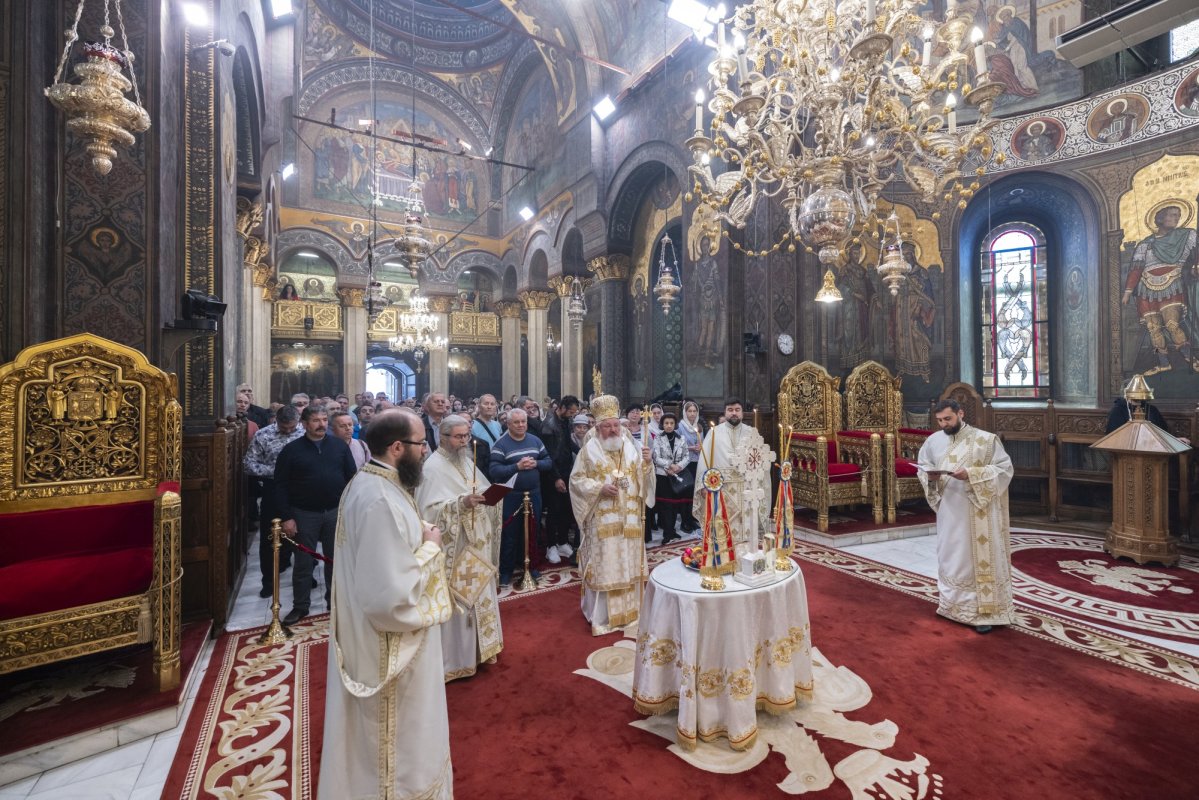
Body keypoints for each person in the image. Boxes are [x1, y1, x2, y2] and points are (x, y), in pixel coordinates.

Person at [318, 410, 453, 800]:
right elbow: (390, 596)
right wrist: (431, 547)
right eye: (420, 444)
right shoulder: (379, 498)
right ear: (397, 448)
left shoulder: (378, 483)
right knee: (397, 738)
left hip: (371, 634)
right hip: (390, 647)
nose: (424, 452)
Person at [415, 415, 503, 681]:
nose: (464, 441)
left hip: (476, 542)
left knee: (480, 594)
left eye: (467, 436)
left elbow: (482, 488)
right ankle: (458, 658)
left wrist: (494, 495)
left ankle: (481, 648)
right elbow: (426, 512)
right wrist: (461, 504)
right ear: (442, 437)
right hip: (456, 549)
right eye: (458, 436)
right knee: (461, 599)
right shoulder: (432, 468)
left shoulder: (465, 460)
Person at [917, 399, 1016, 634]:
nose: (944, 424)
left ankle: (984, 613)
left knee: (974, 560)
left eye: (948, 419)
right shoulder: (933, 441)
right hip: (949, 511)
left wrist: (971, 474)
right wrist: (928, 477)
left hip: (978, 511)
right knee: (951, 557)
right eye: (940, 420)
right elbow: (923, 465)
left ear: (960, 413)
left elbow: (1004, 469)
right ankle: (951, 606)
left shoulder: (986, 440)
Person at [569, 394, 653, 635]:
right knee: (607, 565)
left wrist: (647, 465)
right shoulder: (588, 451)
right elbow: (576, 481)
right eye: (607, 426)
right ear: (598, 427)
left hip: (630, 520)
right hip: (604, 521)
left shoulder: (630, 447)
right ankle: (603, 616)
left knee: (630, 563)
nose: (613, 430)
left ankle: (634, 611)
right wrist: (599, 488)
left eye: (616, 424)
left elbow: (641, 477)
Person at [275, 406, 358, 626]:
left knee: (335, 560)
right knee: (303, 563)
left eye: (323, 420)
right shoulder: (291, 450)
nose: (321, 424)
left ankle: (335, 602)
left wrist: (351, 508)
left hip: (335, 511)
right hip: (304, 514)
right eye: (315, 420)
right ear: (304, 423)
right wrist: (286, 517)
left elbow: (352, 478)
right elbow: (280, 486)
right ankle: (300, 606)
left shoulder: (339, 446)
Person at [1123, 204, 1199, 375]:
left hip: (1172, 284)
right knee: (1153, 329)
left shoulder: (1187, 236)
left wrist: (1195, 266)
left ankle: (1192, 360)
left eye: (1178, 215)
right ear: (1160, 218)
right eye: (1172, 215)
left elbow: (1197, 253)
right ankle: (1164, 363)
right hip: (1146, 289)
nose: (1176, 218)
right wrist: (1127, 292)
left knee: (1172, 324)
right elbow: (1136, 269)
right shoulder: (1145, 245)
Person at [690, 398, 771, 551]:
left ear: (742, 413)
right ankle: (723, 556)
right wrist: (703, 485)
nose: (734, 413)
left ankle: (746, 555)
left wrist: (762, 484)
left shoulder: (751, 432)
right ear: (725, 412)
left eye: (737, 410)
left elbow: (761, 461)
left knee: (746, 525)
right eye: (730, 410)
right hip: (722, 490)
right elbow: (704, 461)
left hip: (746, 489)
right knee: (723, 525)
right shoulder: (714, 433)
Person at [243, 405, 303, 597]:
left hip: (300, 491)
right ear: (276, 420)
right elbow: (248, 464)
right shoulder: (264, 435)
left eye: (290, 428)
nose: (287, 431)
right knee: (270, 537)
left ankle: (304, 577)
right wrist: (276, 472)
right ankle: (268, 581)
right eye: (283, 427)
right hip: (273, 490)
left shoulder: (304, 434)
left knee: (302, 535)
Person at [488, 408, 552, 586]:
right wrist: (517, 467)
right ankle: (506, 570)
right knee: (510, 534)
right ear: (508, 424)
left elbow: (548, 462)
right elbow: (494, 471)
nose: (521, 425)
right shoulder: (501, 444)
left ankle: (531, 567)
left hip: (534, 494)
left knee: (533, 531)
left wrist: (536, 463)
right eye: (516, 422)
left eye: (523, 421)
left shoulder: (535, 440)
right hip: (511, 496)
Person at [539, 394, 580, 564]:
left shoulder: (566, 421)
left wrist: (584, 453)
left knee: (566, 509)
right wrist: (556, 478)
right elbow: (549, 455)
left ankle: (563, 542)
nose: (572, 415)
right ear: (561, 408)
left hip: (567, 471)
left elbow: (568, 444)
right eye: (570, 411)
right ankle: (551, 546)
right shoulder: (548, 426)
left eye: (574, 412)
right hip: (552, 474)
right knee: (554, 511)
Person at [652, 412, 690, 544]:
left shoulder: (681, 438)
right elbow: (656, 457)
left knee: (675, 506)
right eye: (666, 423)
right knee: (666, 506)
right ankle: (667, 533)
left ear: (675, 424)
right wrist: (669, 466)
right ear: (662, 424)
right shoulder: (658, 438)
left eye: (671, 423)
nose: (669, 426)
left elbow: (687, 456)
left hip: (677, 476)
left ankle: (672, 531)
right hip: (663, 475)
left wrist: (678, 466)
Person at [677, 401, 704, 534]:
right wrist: (690, 448)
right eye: (690, 411)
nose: (692, 414)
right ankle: (684, 521)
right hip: (685, 463)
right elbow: (677, 445)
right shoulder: (680, 426)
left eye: (694, 411)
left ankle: (692, 518)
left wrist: (700, 447)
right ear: (685, 412)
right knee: (686, 492)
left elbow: (702, 442)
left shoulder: (699, 426)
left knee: (694, 492)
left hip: (697, 462)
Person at [471, 393, 502, 473]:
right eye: (486, 403)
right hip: (481, 467)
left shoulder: (497, 425)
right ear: (479, 406)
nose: (489, 407)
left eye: (492, 404)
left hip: (496, 464)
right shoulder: (472, 426)